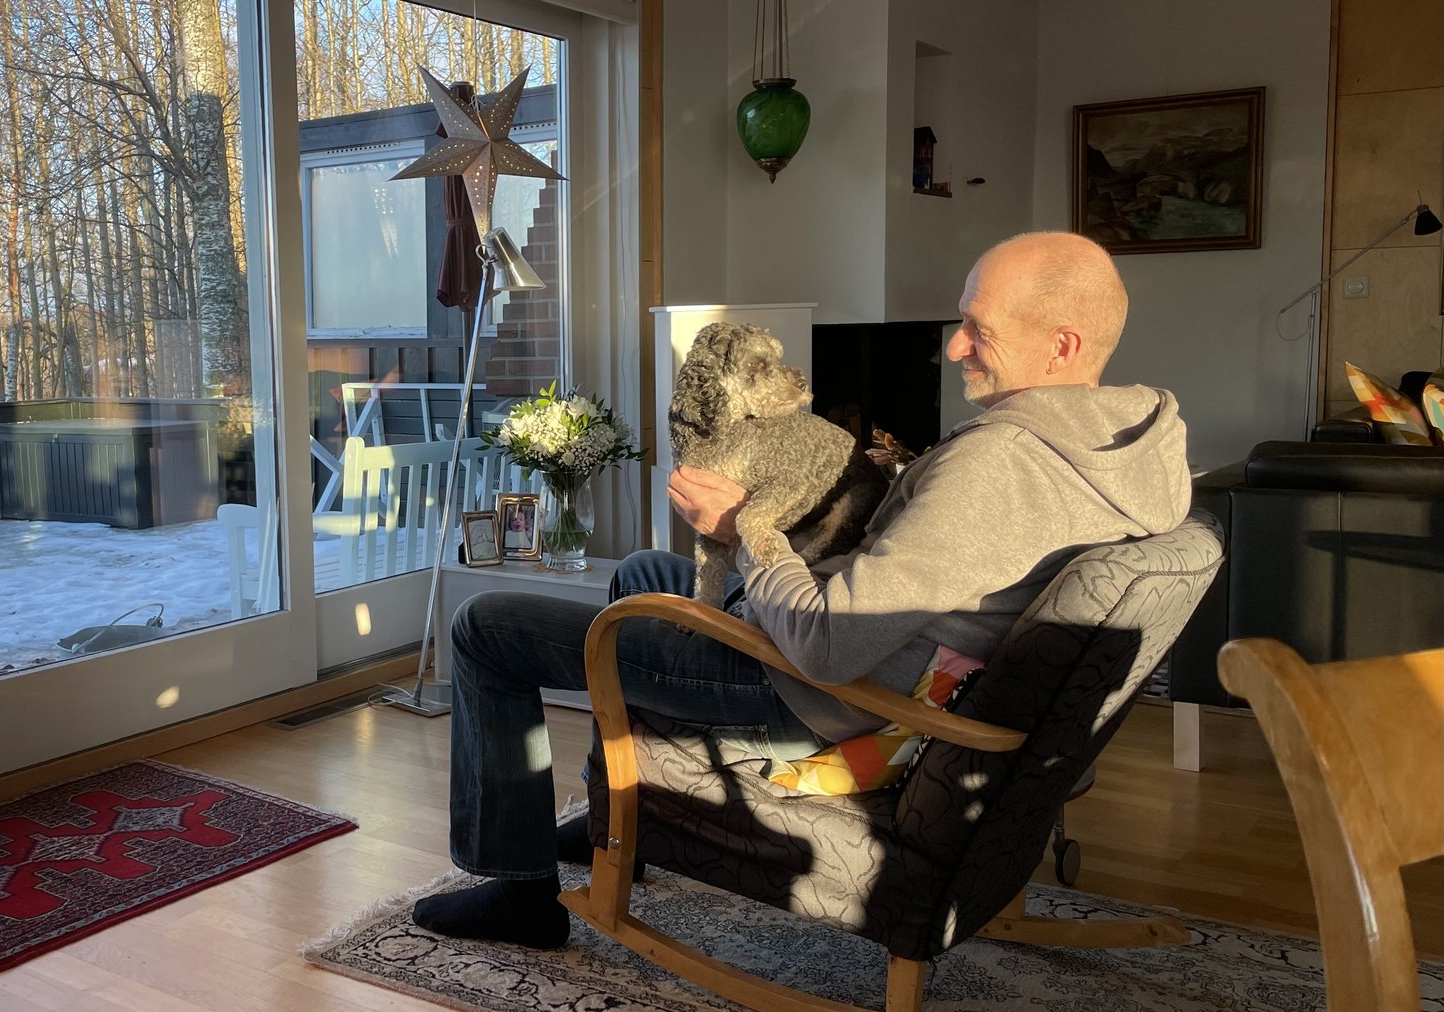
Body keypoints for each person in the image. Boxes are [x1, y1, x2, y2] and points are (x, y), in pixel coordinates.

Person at [412, 231, 1191, 949]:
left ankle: (517, 892)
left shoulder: (1000, 466)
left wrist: (743, 529)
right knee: (645, 572)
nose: (954, 345)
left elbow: (826, 647)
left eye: (977, 328)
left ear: (1063, 344)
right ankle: (621, 823)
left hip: (818, 693)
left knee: (486, 626)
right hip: (879, 663)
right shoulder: (1131, 449)